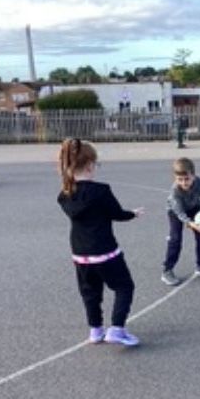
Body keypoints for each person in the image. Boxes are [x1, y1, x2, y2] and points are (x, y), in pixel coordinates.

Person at [57, 138, 144, 346]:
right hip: (105, 250)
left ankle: (95, 330)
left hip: (80, 254)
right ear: (89, 165)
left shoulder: (65, 195)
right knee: (124, 286)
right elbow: (116, 214)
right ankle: (117, 329)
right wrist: (133, 214)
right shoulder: (101, 191)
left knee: (90, 293)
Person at [161, 157, 200, 286]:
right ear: (175, 178)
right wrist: (191, 223)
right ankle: (167, 270)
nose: (183, 183)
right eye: (179, 179)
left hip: (193, 208)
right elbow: (179, 212)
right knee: (175, 239)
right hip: (176, 212)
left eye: (187, 179)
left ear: (193, 175)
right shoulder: (175, 191)